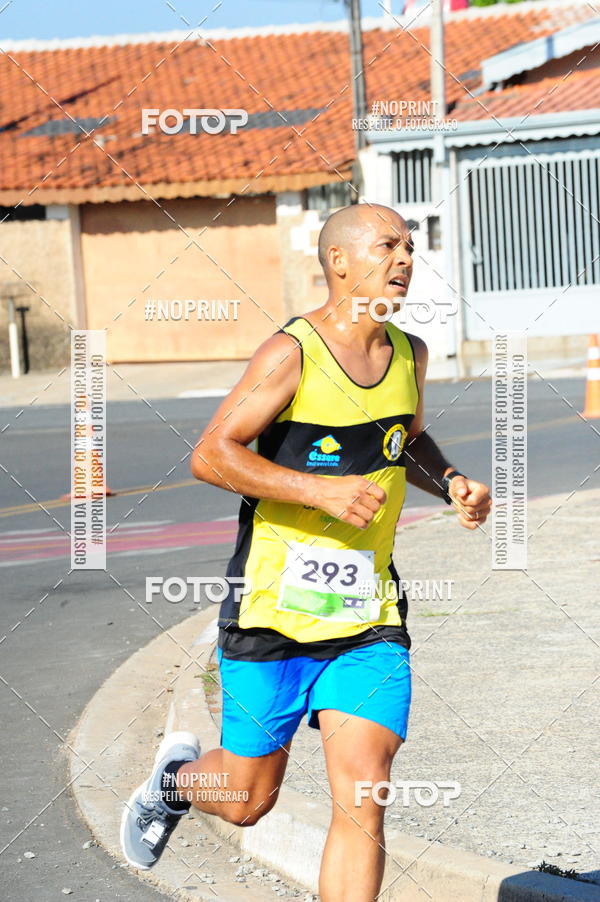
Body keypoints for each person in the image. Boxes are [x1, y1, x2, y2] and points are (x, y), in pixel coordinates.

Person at [120, 203, 492, 900]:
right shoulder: (292, 353)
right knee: (247, 798)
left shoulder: (410, 353)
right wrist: (316, 494)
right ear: (340, 262)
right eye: (389, 245)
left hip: (367, 616)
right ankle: (174, 781)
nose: (406, 258)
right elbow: (210, 454)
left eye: (410, 247)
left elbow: (403, 439)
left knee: (364, 795)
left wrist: (449, 482)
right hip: (274, 614)